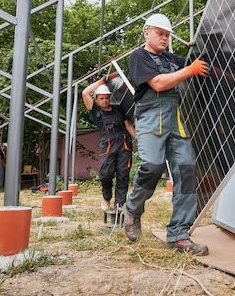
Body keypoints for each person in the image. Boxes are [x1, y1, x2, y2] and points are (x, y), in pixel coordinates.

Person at [123, 13, 210, 256]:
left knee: (186, 169)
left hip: (176, 118)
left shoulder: (174, 59)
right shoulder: (139, 57)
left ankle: (179, 235)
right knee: (151, 165)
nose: (164, 38)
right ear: (146, 32)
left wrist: (197, 52)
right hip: (151, 116)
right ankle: (132, 209)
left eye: (167, 35)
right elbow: (159, 83)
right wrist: (190, 69)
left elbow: (199, 67)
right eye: (160, 33)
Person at [82, 74, 136, 211]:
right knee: (105, 174)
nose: (105, 100)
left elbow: (128, 125)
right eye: (101, 98)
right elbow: (85, 93)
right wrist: (103, 81)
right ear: (96, 99)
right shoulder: (95, 111)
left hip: (124, 143)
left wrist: (139, 140)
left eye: (107, 98)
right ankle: (106, 198)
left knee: (123, 174)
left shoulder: (119, 109)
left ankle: (120, 204)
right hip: (108, 145)